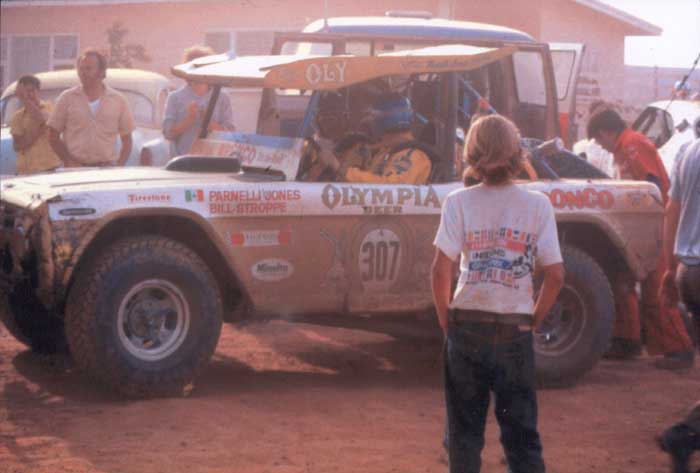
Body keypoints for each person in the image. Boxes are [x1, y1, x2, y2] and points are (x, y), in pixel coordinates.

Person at [431, 115, 564, 473]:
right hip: (514, 333)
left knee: (463, 438)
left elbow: (440, 269)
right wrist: (532, 320)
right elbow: (556, 275)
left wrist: (447, 320)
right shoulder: (538, 206)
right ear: (517, 155)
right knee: (522, 440)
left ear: (471, 156)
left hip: (466, 329)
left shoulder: (458, 202)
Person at [587, 109, 694, 369]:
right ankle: (628, 339)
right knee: (623, 282)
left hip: (654, 224)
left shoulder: (634, 145)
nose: (602, 146)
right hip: (639, 224)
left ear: (606, 132)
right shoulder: (624, 148)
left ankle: (679, 349)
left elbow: (652, 185)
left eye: (600, 140)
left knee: (656, 288)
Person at [658, 138, 700, 472]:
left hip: (689, 272)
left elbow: (671, 210)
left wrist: (671, 270)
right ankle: (685, 435)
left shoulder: (688, 150)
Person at [315, 92, 432, 184]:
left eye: (373, 117)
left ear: (382, 120)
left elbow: (390, 191)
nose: (370, 122)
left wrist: (340, 168)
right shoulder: (383, 151)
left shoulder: (411, 155)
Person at [48, 48, 135, 167]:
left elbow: (127, 140)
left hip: (106, 169)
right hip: (74, 170)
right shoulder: (67, 98)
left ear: (101, 72)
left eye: (88, 69)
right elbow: (53, 135)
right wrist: (68, 160)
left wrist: (119, 166)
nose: (83, 73)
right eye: (81, 69)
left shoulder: (118, 100)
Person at [163, 45, 235, 157]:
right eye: (195, 67)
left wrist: (209, 122)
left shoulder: (222, 98)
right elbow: (168, 133)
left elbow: (231, 134)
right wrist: (189, 119)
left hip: (214, 162)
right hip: (182, 163)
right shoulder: (175, 97)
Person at [9, 75, 61, 174]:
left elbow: (44, 119)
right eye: (25, 92)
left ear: (38, 91)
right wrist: (38, 131)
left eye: (31, 91)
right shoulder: (17, 116)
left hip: (50, 167)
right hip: (26, 170)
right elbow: (17, 145)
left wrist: (24, 99)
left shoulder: (49, 107)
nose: (29, 95)